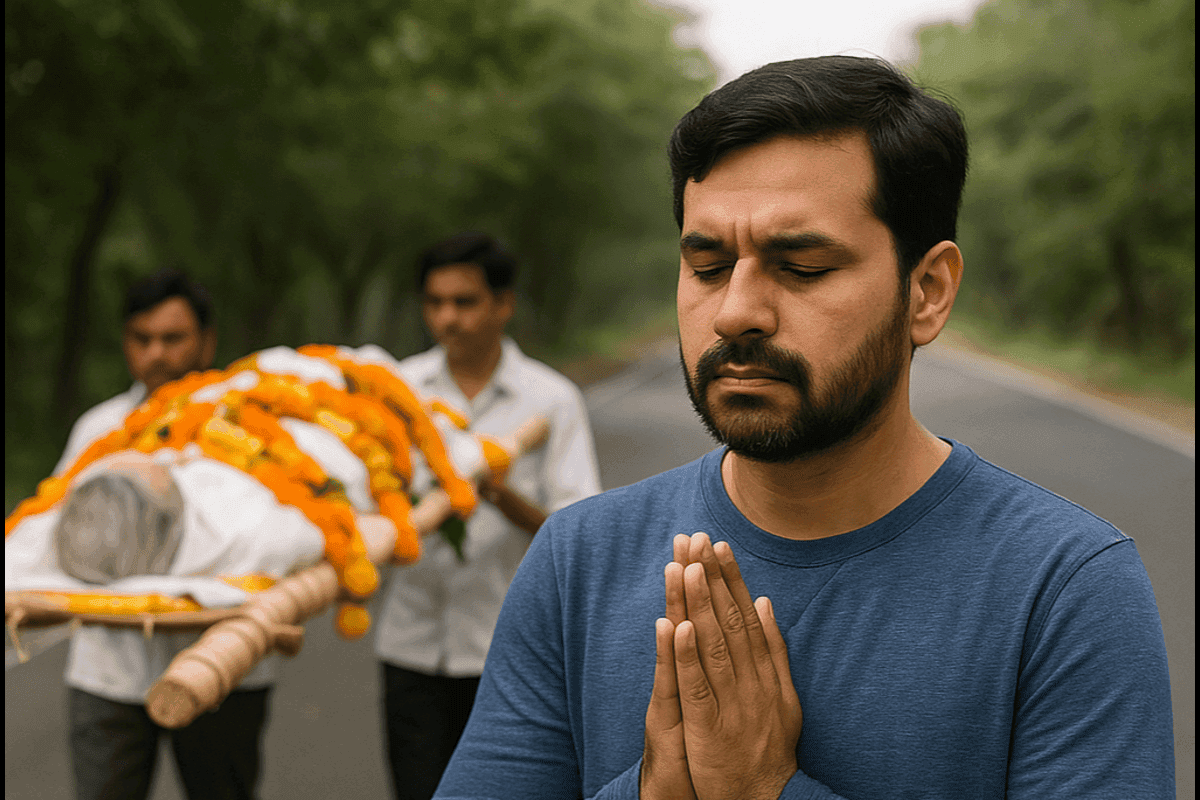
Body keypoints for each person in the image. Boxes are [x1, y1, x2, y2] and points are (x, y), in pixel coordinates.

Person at [431, 57, 1176, 799]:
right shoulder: (579, 562)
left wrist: (764, 789)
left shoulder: (1063, 586)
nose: (735, 312)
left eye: (801, 266)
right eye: (709, 265)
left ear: (927, 291)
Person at [373, 232, 602, 800]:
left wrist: (501, 497)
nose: (448, 318)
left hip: (512, 651)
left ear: (504, 304)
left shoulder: (551, 400)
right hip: (411, 643)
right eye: (435, 303)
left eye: (465, 302)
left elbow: (578, 533)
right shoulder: (397, 392)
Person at [55, 268, 277, 800]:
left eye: (173, 339)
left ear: (208, 340)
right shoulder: (98, 431)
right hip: (108, 672)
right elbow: (55, 535)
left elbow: (277, 540)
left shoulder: (256, 426)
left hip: (222, 666)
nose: (157, 354)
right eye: (142, 339)